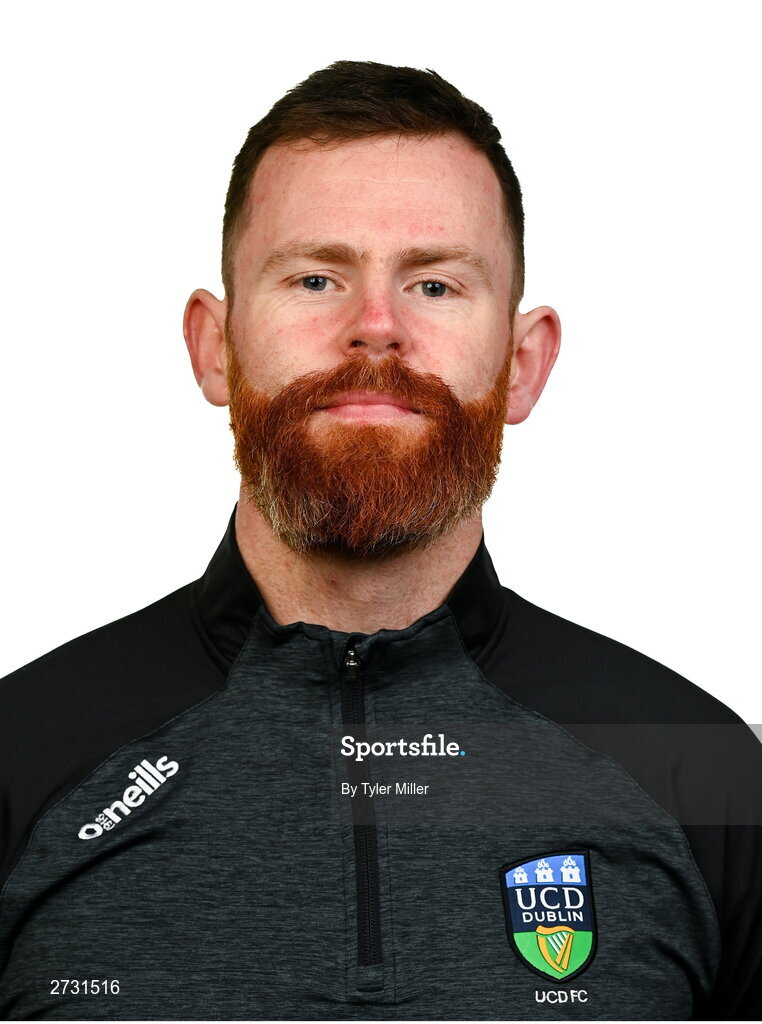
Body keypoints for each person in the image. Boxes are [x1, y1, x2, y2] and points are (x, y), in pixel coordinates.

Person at [0, 60, 759, 1022]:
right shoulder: (22, 756)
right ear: (215, 347)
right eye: (316, 277)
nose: (375, 329)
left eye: (435, 285)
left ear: (523, 366)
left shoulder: (700, 772)